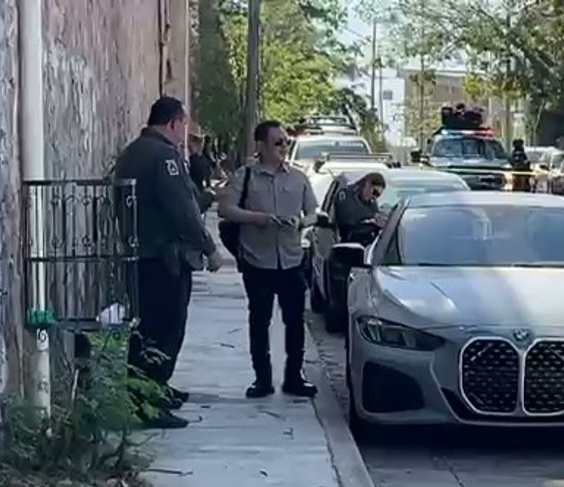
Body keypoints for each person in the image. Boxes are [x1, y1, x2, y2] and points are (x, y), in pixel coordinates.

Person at [115, 96, 224, 429]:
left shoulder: (135, 151)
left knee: (147, 328)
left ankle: (153, 391)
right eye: (183, 126)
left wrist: (207, 197)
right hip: (164, 258)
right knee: (165, 329)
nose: (183, 134)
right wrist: (209, 247)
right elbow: (181, 209)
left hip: (143, 254)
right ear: (174, 122)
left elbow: (185, 198)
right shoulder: (163, 156)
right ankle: (148, 402)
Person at [219, 120, 319, 399]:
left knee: (295, 322)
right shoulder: (245, 176)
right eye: (278, 142)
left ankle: (294, 377)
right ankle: (262, 379)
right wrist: (258, 218)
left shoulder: (298, 177)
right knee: (259, 321)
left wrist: (301, 222)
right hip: (257, 261)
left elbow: (314, 212)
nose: (284, 147)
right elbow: (226, 209)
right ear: (261, 146)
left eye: (286, 142)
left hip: (291, 260)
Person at [334, 172, 387, 244]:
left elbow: (375, 216)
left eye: (378, 195)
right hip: (345, 243)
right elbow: (347, 217)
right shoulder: (346, 193)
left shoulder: (371, 202)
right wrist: (372, 217)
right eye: (374, 192)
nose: (374, 197)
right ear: (367, 184)